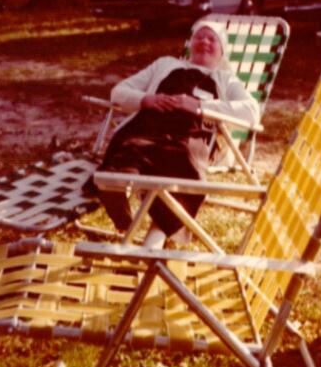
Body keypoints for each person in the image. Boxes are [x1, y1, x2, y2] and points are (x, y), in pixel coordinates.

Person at [86, 20, 259, 248]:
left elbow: (251, 112)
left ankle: (152, 238)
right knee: (131, 152)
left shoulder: (225, 78)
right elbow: (118, 91)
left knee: (183, 168)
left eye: (212, 39)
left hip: (190, 138)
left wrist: (199, 106)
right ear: (190, 44)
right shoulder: (165, 64)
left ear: (221, 51)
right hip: (149, 127)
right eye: (199, 36)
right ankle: (118, 192)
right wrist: (146, 99)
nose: (204, 41)